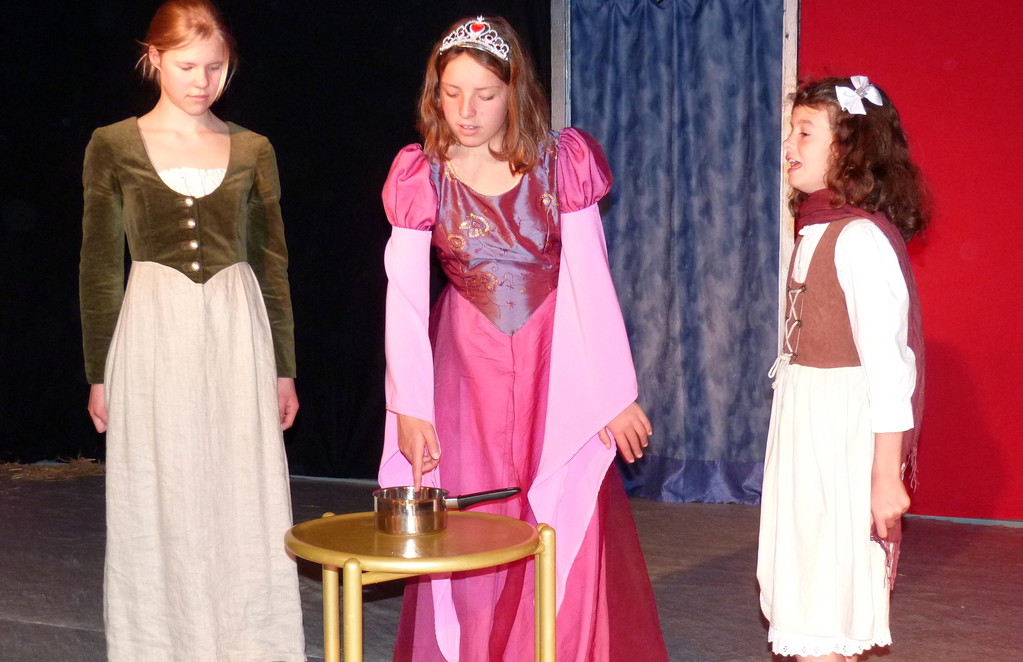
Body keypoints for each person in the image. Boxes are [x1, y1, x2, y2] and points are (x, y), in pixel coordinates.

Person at [378, 15, 669, 662]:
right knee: (474, 518)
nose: (466, 111)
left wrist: (612, 393)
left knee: (558, 507)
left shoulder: (560, 163)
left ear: (513, 92)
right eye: (452, 93)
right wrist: (410, 408)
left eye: (484, 94)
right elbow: (404, 299)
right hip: (466, 366)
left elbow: (590, 277)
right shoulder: (420, 175)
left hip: (553, 361)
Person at [79, 1, 305, 659]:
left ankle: (250, 643)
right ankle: (160, 643)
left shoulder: (253, 148)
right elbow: (99, 267)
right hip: (153, 332)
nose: (202, 81)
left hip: (237, 332)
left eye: (215, 66)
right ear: (153, 59)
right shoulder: (112, 145)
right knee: (162, 482)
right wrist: (99, 373)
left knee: (240, 482)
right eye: (186, 66)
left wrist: (283, 366)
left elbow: (272, 263)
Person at [757, 76, 928, 661]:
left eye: (805, 132)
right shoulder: (818, 227)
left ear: (850, 149)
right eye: (790, 131)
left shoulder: (858, 239)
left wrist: (885, 476)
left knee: (825, 587)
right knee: (808, 579)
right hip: (807, 424)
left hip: (839, 434)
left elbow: (889, 370)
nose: (789, 144)